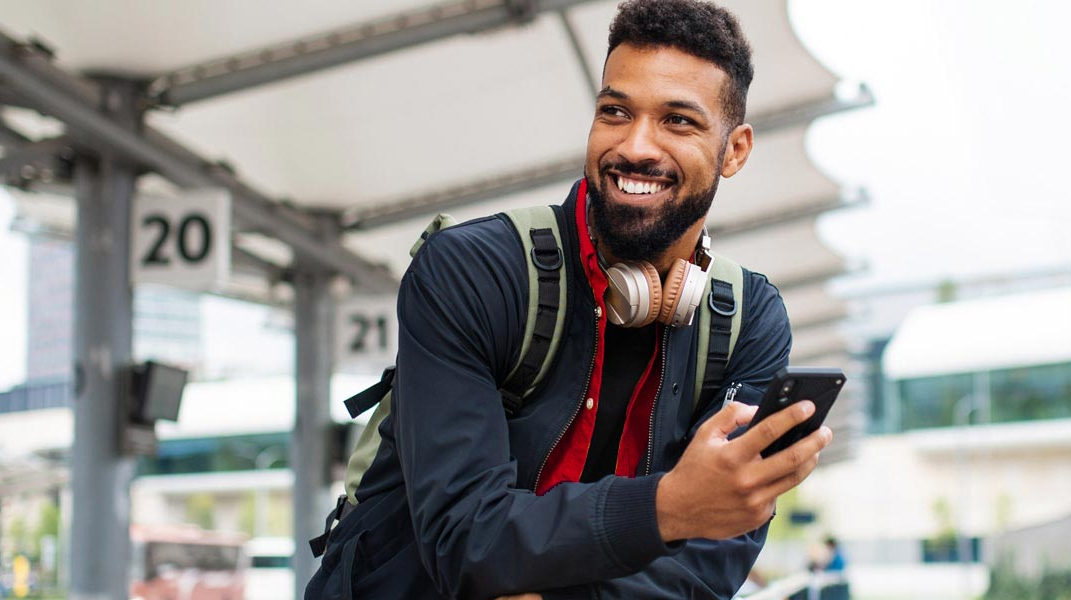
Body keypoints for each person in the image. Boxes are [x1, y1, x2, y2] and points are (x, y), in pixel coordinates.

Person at [304, 1, 833, 598]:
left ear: (734, 150)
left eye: (677, 121)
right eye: (615, 111)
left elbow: (708, 567)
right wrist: (670, 506)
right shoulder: (470, 272)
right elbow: (464, 538)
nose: (636, 146)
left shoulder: (750, 320)